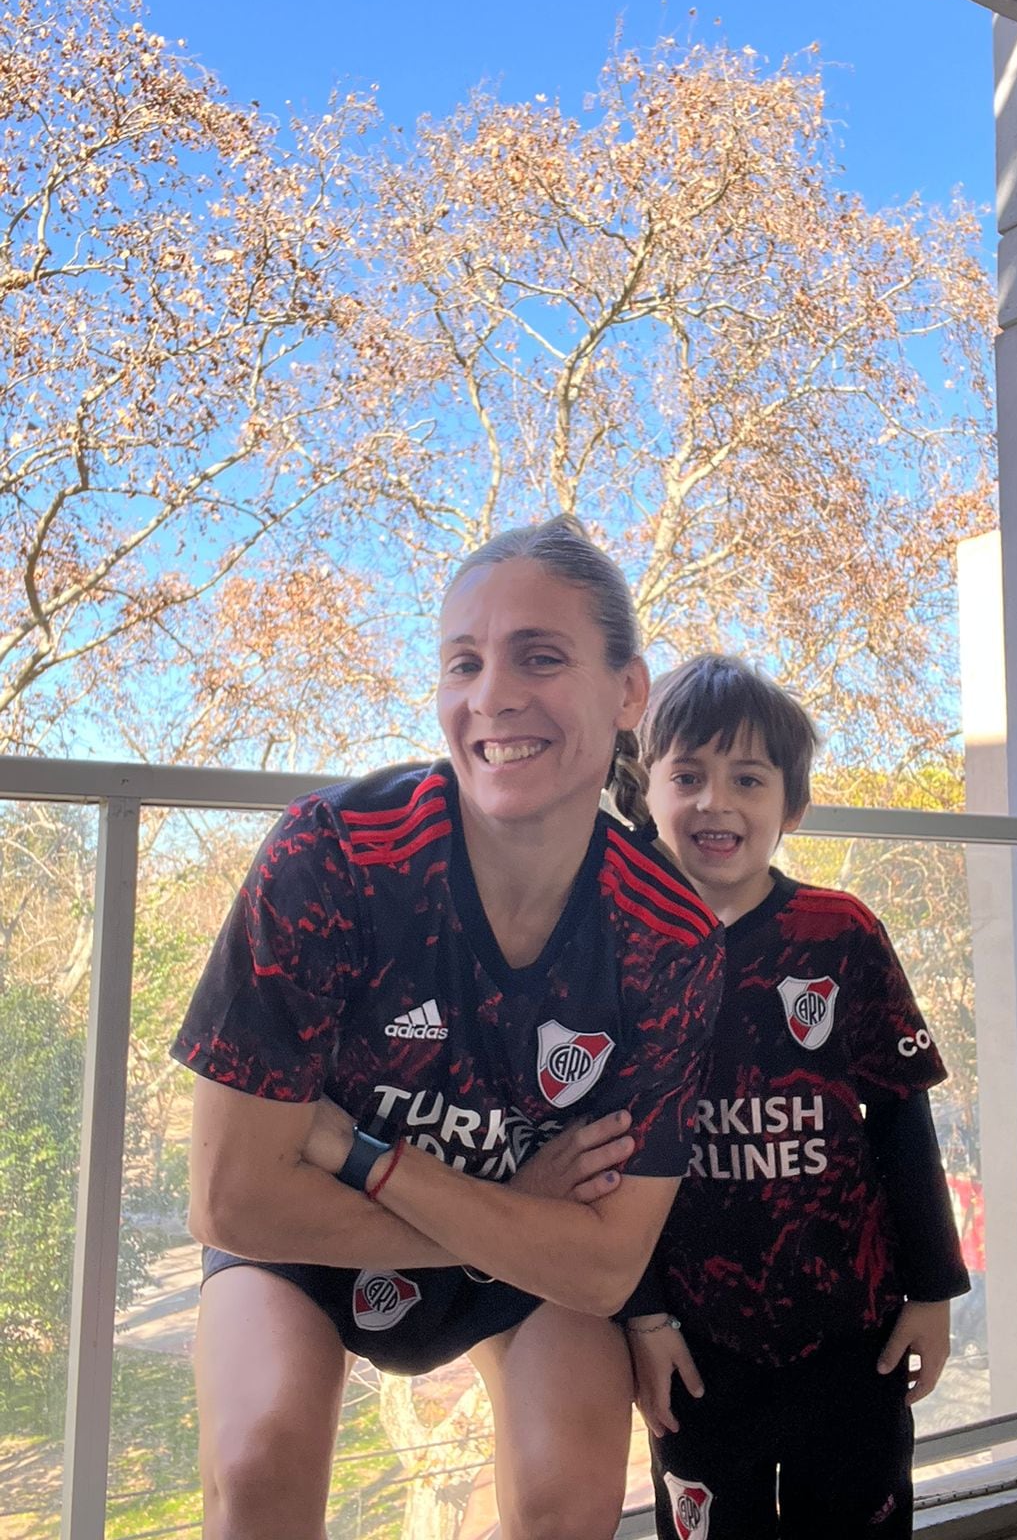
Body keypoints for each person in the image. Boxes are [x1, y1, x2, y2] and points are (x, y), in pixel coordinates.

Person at [172, 517, 724, 1540]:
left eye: (540, 656)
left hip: (484, 1253)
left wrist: (355, 1151)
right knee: (257, 1467)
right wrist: (513, 1211)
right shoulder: (330, 858)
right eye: (463, 661)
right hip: (311, 1246)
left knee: (573, 1501)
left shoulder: (671, 941)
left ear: (629, 691)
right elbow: (232, 1197)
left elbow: (604, 1267)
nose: (493, 694)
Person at [623, 653, 970, 1540]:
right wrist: (643, 1313)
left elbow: (900, 1115)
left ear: (792, 806)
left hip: (851, 1329)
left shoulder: (840, 931)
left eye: (748, 778)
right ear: (645, 790)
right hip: (696, 1341)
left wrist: (931, 1291)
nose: (717, 802)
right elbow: (603, 1149)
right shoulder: (619, 947)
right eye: (688, 775)